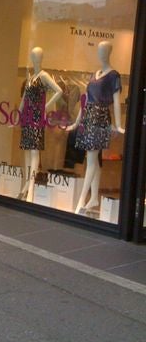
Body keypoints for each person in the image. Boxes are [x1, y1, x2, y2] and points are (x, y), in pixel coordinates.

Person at [71, 41, 125, 214]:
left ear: (110, 52)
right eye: (99, 50)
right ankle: (94, 198)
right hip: (89, 117)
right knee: (93, 159)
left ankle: (81, 200)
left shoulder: (114, 75)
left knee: (92, 159)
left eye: (104, 50)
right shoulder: (94, 75)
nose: (101, 54)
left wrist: (118, 125)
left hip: (100, 118)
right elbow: (86, 100)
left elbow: (116, 101)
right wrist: (76, 122)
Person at [17, 47, 62, 203]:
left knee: (35, 151)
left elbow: (59, 91)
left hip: (36, 118)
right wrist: (18, 115)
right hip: (27, 117)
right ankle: (26, 183)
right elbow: (24, 99)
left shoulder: (43, 76)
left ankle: (31, 187)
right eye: (33, 56)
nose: (36, 58)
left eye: (38, 56)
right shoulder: (30, 78)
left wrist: (45, 107)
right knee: (27, 150)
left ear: (41, 58)